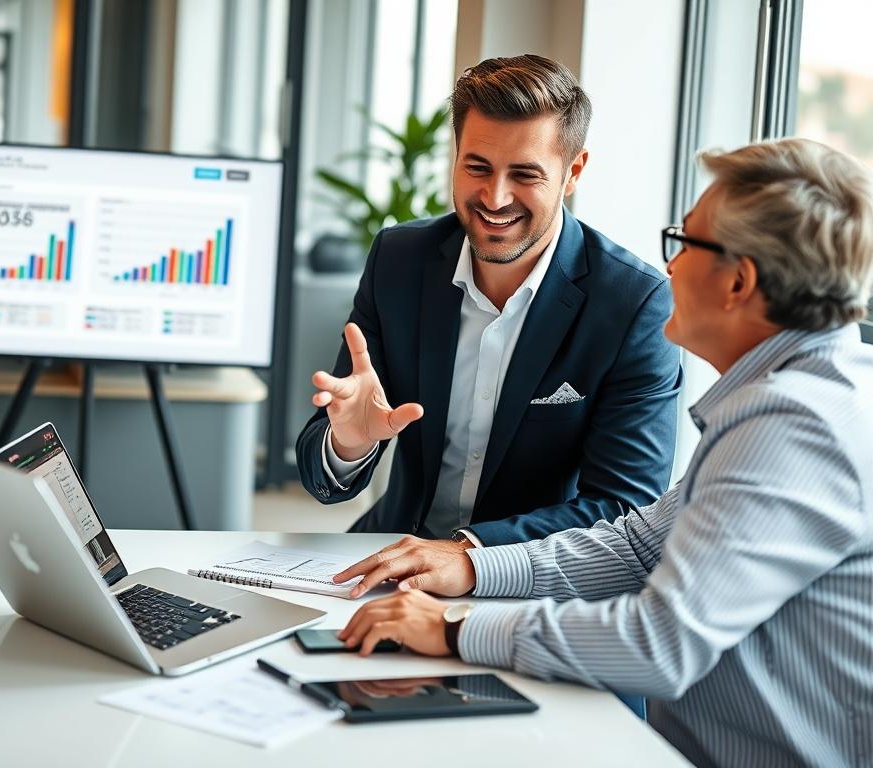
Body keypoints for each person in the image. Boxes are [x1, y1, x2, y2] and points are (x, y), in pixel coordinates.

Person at [337, 138, 873, 768]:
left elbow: (661, 643)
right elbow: (640, 546)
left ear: (739, 280)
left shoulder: (794, 427)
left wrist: (455, 629)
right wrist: (474, 568)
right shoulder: (803, 394)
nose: (667, 266)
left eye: (685, 242)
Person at [296, 54, 682, 552]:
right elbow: (322, 473)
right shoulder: (400, 260)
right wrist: (349, 443)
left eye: (525, 174)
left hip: (528, 581)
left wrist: (465, 555)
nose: (495, 198)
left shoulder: (635, 304)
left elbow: (624, 510)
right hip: (389, 555)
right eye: (477, 167)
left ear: (573, 172)